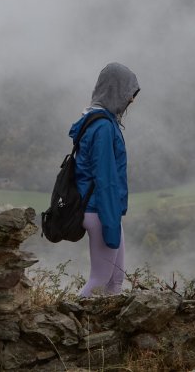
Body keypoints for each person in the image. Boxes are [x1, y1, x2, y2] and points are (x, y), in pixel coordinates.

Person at [72, 62, 140, 297]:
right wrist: (111, 224)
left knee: (115, 282)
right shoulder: (102, 127)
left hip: (103, 209)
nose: (131, 100)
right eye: (129, 93)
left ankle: (108, 332)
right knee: (100, 280)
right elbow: (106, 179)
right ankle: (70, 327)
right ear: (116, 90)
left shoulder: (100, 122)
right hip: (100, 210)